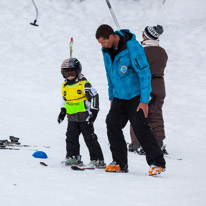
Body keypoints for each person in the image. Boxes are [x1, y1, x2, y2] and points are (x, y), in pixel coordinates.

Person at [95, 24, 166, 175]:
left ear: (112, 36)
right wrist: (112, 97)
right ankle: (120, 163)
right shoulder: (106, 51)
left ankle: (157, 162)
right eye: (100, 43)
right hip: (119, 97)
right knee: (112, 123)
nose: (103, 45)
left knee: (140, 127)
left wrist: (144, 100)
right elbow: (110, 76)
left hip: (135, 96)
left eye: (104, 42)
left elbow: (144, 73)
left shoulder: (132, 47)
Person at [57, 57, 106, 168]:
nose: (69, 76)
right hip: (72, 117)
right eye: (66, 74)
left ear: (78, 72)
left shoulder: (84, 84)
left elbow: (94, 96)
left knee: (89, 138)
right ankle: (73, 157)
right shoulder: (65, 86)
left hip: (85, 116)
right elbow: (64, 99)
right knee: (70, 137)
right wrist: (62, 111)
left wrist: (94, 112)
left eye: (72, 73)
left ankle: (97, 159)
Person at [129, 25, 168, 155]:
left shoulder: (141, 51)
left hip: (143, 85)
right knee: (156, 114)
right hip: (159, 86)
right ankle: (158, 142)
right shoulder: (162, 52)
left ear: (146, 35)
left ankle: (137, 143)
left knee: (138, 113)